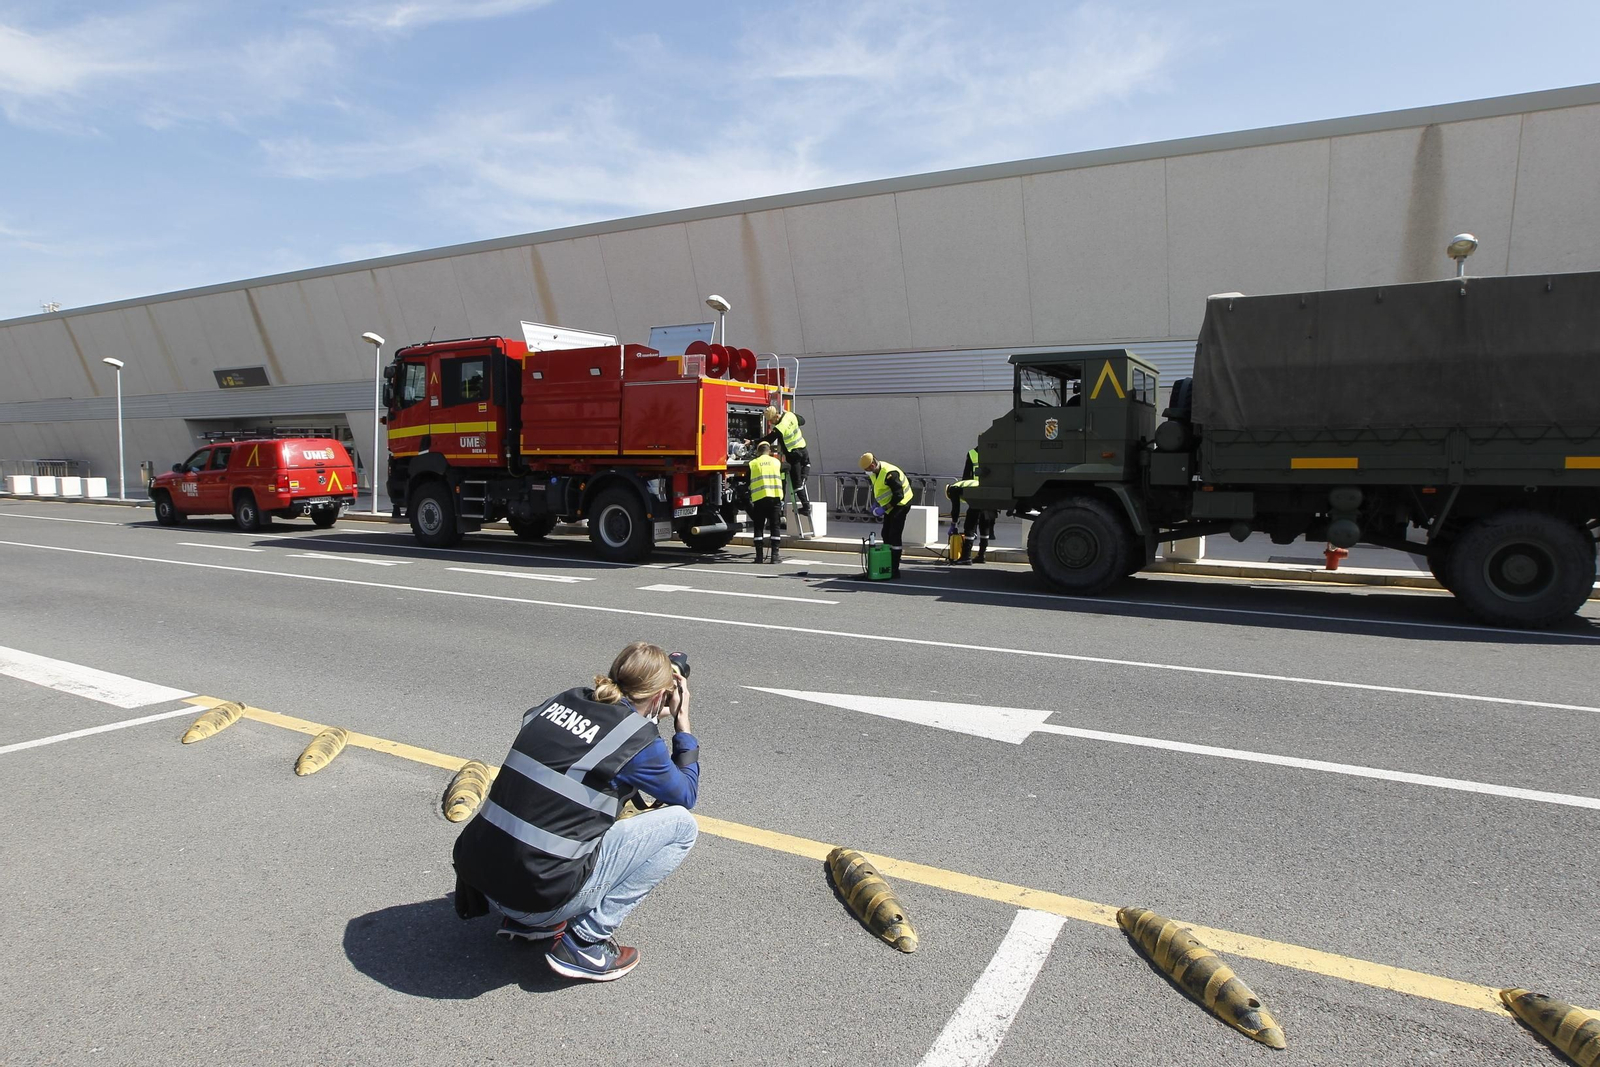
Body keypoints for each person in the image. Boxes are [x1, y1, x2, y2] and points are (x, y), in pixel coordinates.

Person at [451, 642, 700, 982]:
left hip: (483, 879)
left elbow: (574, 735)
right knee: (682, 827)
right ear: (661, 695)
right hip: (536, 898)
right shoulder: (636, 739)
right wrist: (682, 724)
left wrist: (644, 712)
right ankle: (585, 942)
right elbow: (685, 794)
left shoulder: (563, 700)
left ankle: (529, 922)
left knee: (565, 800)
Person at [859, 452, 914, 579]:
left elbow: (899, 495)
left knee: (894, 534)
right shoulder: (875, 473)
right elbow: (881, 490)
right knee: (885, 533)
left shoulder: (890, 473)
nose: (867, 472)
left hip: (901, 504)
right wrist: (877, 503)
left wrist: (884, 508)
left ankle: (894, 569)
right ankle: (887, 562)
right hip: (891, 506)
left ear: (872, 465)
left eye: (867, 469)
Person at [945, 446, 994, 565]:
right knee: (984, 525)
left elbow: (955, 509)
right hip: (989, 491)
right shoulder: (993, 452)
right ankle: (981, 555)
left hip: (975, 494)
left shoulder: (955, 489)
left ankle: (966, 556)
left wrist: (954, 523)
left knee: (969, 526)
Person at [761, 405, 812, 515]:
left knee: (797, 485)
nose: (771, 423)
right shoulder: (790, 415)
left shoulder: (780, 428)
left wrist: (752, 442)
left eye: (771, 421)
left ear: (776, 417)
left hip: (794, 455)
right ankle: (804, 479)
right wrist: (790, 413)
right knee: (807, 464)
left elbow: (768, 439)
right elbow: (802, 421)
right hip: (803, 449)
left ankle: (806, 507)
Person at [747, 441, 784, 565]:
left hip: (759, 499)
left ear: (758, 451)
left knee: (758, 527)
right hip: (774, 498)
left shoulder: (753, 463)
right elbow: (787, 467)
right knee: (775, 526)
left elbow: (747, 480)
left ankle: (759, 557)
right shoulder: (776, 462)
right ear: (769, 451)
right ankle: (775, 556)